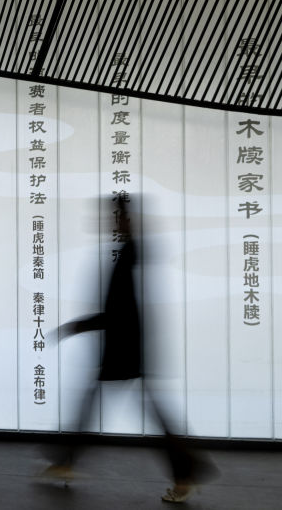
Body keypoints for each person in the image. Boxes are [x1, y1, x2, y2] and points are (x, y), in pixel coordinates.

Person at [42, 196, 215, 503]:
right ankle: (185, 471)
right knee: (115, 406)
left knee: (100, 405)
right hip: (127, 347)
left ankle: (185, 471)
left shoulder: (129, 253)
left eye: (117, 217)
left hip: (124, 349)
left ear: (126, 219)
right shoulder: (130, 251)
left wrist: (79, 325)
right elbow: (122, 308)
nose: (112, 222)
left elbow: (118, 310)